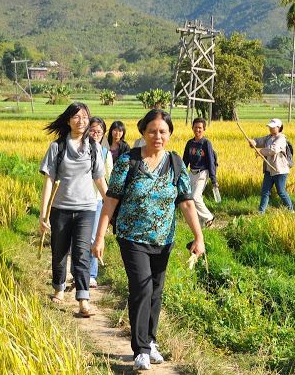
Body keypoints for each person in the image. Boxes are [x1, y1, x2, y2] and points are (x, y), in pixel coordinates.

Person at [92, 109, 205, 371]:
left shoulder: (176, 163)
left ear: (170, 134)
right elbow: (111, 201)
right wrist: (99, 238)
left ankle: (150, 341)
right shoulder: (128, 162)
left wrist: (198, 237)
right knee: (142, 287)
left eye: (163, 131)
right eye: (152, 131)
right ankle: (140, 348)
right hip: (132, 237)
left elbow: (187, 203)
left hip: (164, 239)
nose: (158, 136)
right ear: (143, 132)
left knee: (155, 290)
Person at [39, 102, 107, 318]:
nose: (81, 121)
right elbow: (49, 181)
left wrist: (112, 204)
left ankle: (83, 299)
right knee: (59, 251)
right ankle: (59, 288)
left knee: (81, 253)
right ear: (68, 120)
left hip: (87, 209)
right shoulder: (56, 147)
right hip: (61, 208)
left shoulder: (94, 148)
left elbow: (99, 180)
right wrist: (43, 214)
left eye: (85, 117)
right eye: (76, 117)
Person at [87, 117, 114, 288]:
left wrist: (110, 202)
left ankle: (91, 274)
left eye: (99, 132)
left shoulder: (105, 153)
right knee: (78, 239)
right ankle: (78, 272)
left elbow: (110, 177)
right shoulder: (78, 148)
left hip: (97, 200)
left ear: (103, 134)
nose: (95, 134)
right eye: (93, 130)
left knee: (92, 237)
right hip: (79, 200)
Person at [248, 118, 293, 214]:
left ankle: (290, 209)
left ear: (279, 127)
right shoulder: (269, 137)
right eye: (270, 127)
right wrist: (253, 142)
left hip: (280, 170)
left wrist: (261, 152)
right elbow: (259, 141)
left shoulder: (281, 138)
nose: (271, 129)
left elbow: (273, 149)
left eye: (273, 127)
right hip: (269, 170)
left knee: (281, 192)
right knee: (265, 191)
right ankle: (261, 212)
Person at [182, 117, 218, 228]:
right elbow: (185, 160)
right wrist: (181, 174)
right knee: (192, 198)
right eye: (196, 127)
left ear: (204, 129)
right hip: (192, 173)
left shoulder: (206, 143)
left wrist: (213, 179)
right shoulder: (190, 143)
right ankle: (201, 224)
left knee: (195, 197)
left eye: (200, 128)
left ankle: (208, 218)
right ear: (192, 128)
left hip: (203, 172)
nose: (198, 130)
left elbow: (211, 161)